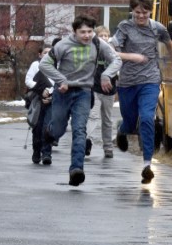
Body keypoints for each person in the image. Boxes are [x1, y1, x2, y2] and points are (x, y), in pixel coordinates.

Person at [40, 15, 121, 187]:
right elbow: (44, 65)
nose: (86, 35)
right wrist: (60, 79)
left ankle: (76, 169)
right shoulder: (63, 45)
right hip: (63, 91)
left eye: (90, 32)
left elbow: (117, 59)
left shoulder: (98, 43)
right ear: (74, 32)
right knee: (59, 129)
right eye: (82, 32)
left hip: (84, 91)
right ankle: (50, 131)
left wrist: (107, 75)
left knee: (79, 130)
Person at [114, 0, 172, 184]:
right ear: (132, 12)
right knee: (130, 120)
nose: (141, 16)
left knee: (147, 118)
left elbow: (170, 46)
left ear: (150, 11)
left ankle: (147, 165)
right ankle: (122, 130)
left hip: (150, 80)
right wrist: (130, 56)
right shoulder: (124, 27)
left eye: (145, 12)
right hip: (127, 82)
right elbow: (113, 51)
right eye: (137, 13)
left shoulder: (158, 29)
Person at [88, 26, 118, 159]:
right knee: (93, 116)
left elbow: (118, 67)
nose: (104, 38)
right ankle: (86, 141)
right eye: (101, 35)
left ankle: (108, 147)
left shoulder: (113, 51)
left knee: (107, 119)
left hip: (109, 90)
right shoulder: (93, 49)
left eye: (106, 35)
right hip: (94, 88)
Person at [24, 46, 54, 164]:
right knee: (37, 126)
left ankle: (47, 153)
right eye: (45, 52)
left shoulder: (57, 66)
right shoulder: (36, 65)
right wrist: (41, 89)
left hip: (51, 100)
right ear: (40, 54)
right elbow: (28, 80)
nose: (47, 55)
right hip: (37, 99)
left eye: (50, 53)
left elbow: (60, 83)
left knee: (48, 127)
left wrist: (51, 93)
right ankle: (36, 150)